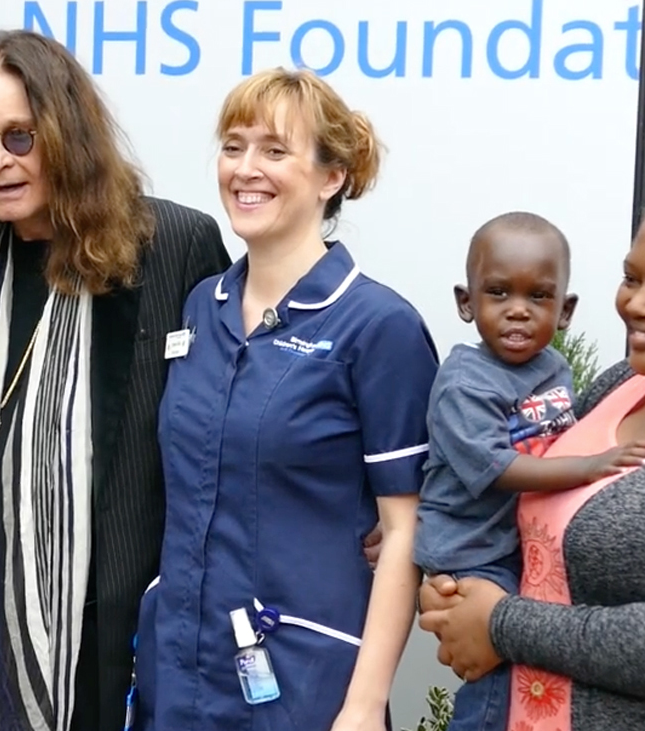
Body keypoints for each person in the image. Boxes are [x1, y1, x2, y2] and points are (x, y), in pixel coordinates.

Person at [0, 29, 231, 731]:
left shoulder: (174, 244)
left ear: (67, 132)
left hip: (116, 628)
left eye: (20, 137)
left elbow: (224, 428)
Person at [419, 175, 645, 730]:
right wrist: (443, 564)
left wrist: (500, 624)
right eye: (631, 278)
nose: (636, 304)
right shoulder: (626, 382)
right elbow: (531, 498)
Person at [131, 67, 439, 731]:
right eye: (234, 145)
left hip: (307, 687)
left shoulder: (377, 325)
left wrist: (362, 706)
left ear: (331, 177)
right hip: (182, 672)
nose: (246, 168)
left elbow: (404, 530)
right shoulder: (200, 307)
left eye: (275, 150)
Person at [413, 212, 645, 731]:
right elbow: (497, 467)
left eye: (538, 298)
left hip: (517, 543)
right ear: (466, 302)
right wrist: (589, 467)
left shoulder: (553, 368)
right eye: (498, 294)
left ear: (565, 310)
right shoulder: (466, 382)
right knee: (495, 670)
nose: (518, 312)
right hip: (472, 550)